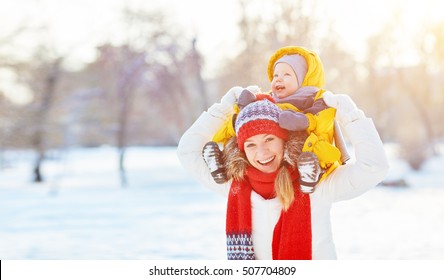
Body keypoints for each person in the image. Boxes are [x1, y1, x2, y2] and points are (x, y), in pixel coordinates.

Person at [177, 86, 389, 260]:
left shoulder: (317, 185)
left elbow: (374, 167)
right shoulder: (234, 185)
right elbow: (187, 152)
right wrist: (223, 108)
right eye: (250, 145)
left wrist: (349, 114)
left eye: (269, 139)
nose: (261, 152)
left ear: (284, 140)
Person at [204, 46, 348, 193]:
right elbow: (248, 122)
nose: (279, 79)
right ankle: (221, 163)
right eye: (275, 75)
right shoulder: (268, 99)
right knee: (242, 140)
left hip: (308, 148)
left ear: (304, 78)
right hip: (277, 149)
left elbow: (324, 121)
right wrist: (240, 113)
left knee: (305, 145)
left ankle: (312, 172)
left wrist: (305, 121)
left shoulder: (316, 99)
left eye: (287, 74)